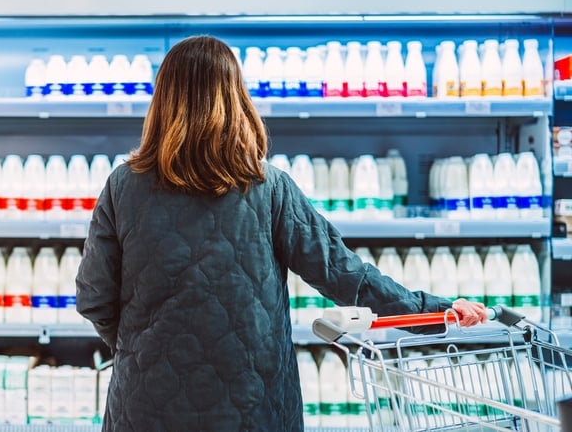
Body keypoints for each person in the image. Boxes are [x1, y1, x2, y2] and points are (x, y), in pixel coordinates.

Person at [75, 35, 488, 432]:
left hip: (145, 409)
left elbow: (94, 297)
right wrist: (435, 310)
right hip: (254, 407)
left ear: (162, 102)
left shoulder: (122, 186)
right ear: (237, 100)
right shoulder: (269, 187)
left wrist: (140, 348)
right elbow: (346, 276)